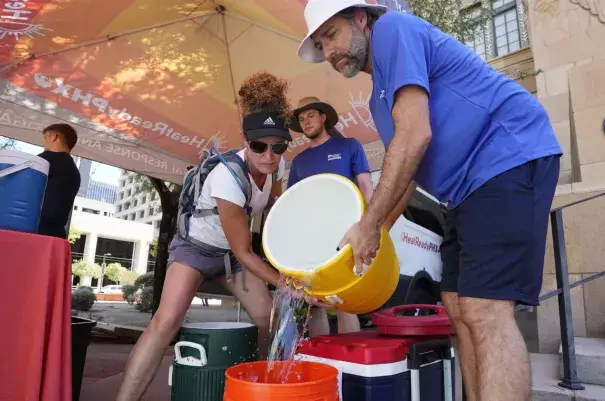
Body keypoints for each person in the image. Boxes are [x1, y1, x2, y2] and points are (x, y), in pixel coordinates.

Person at [297, 1, 562, 401]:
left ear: (361, 19)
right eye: (320, 45)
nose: (328, 52)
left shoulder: (394, 30)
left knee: (485, 311)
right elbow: (405, 170)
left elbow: (415, 135)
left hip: (507, 155)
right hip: (462, 191)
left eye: (330, 35)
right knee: (458, 309)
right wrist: (369, 243)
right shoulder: (377, 101)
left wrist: (368, 224)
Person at [117, 72, 316, 401]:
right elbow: (245, 251)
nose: (269, 154)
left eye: (278, 146)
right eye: (258, 145)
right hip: (196, 251)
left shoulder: (277, 168)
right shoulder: (226, 177)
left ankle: (258, 389)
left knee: (270, 318)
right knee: (166, 323)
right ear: (244, 138)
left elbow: (277, 217)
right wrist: (285, 281)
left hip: (232, 257)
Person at [288, 96, 371, 337]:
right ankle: (323, 361)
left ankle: (349, 362)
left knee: (345, 299)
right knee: (314, 303)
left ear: (324, 117)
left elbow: (366, 186)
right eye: (301, 119)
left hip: (346, 234)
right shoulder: (298, 161)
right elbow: (291, 205)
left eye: (310, 115)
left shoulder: (349, 146)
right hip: (311, 238)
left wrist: (369, 224)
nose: (306, 122)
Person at [37, 123, 81, 239]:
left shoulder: (44, 161)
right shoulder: (74, 171)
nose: (44, 143)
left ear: (54, 137)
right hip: (56, 235)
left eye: (45, 137)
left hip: (34, 231)